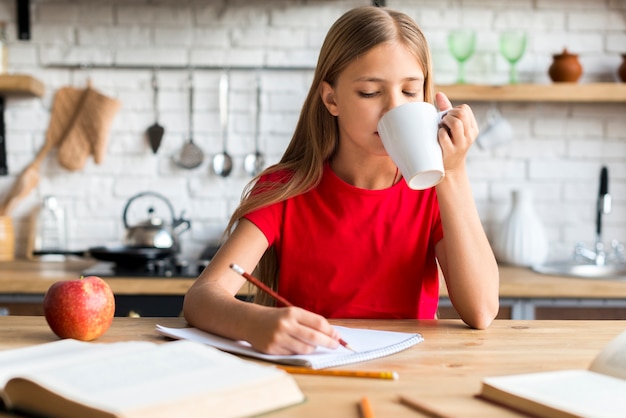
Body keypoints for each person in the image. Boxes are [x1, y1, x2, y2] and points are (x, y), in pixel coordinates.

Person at [183, 6, 499, 355]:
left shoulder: (433, 191)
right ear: (331, 99)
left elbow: (482, 311)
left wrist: (453, 173)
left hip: (410, 374)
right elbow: (201, 298)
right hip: (310, 371)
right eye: (369, 93)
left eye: (410, 92)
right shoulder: (285, 189)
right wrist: (253, 322)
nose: (394, 109)